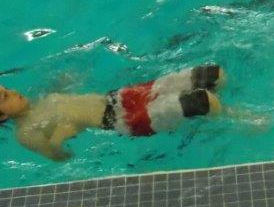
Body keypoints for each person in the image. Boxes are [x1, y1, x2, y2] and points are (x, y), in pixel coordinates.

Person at [0, 64, 225, 161]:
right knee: (202, 101)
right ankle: (235, 119)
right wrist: (59, 139)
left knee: (213, 74)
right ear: (2, 116)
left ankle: (223, 109)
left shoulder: (40, 98)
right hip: (123, 120)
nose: (13, 92)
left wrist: (67, 80)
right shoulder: (26, 133)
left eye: (6, 88)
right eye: (5, 97)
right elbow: (59, 157)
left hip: (121, 97)